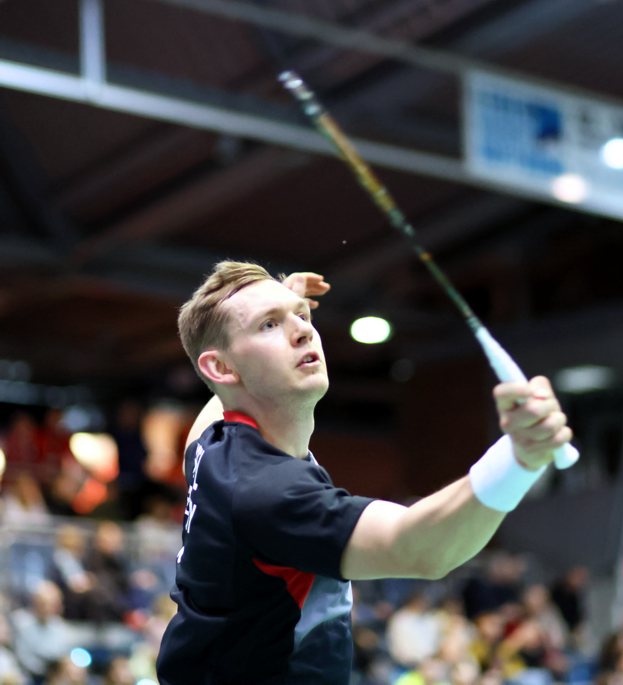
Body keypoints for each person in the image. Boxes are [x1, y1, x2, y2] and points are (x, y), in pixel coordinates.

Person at [156, 261, 574, 685]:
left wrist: (280, 306)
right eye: (269, 325)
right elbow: (419, 549)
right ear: (221, 368)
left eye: (301, 316)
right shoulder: (267, 492)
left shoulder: (212, 442)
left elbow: (226, 392)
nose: (303, 331)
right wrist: (520, 458)